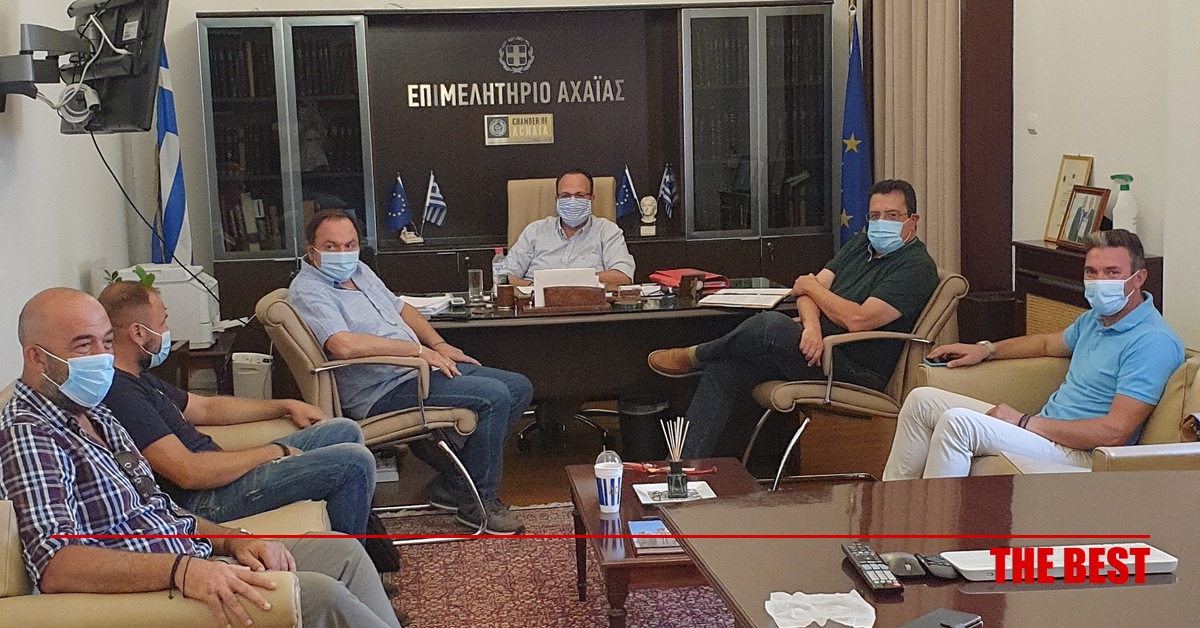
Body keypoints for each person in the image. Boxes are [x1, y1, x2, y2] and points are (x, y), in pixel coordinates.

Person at [0, 287, 401, 628]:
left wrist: (230, 540)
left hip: (191, 556)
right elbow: (56, 564)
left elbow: (158, 506)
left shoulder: (95, 412)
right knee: (320, 594)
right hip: (158, 589)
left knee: (343, 552)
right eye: (82, 345)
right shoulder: (29, 432)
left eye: (105, 342)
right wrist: (182, 570)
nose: (101, 357)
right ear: (36, 357)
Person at [649, 179, 940, 458]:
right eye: (875, 216)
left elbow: (858, 320)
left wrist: (812, 289)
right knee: (726, 367)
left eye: (891, 216)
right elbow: (803, 291)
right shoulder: (861, 244)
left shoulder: (916, 267)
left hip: (855, 368)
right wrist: (812, 328)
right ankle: (682, 468)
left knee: (770, 325)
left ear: (912, 220)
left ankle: (696, 356)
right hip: (814, 349)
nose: (881, 223)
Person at [288, 210, 533, 534]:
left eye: (350, 245)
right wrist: (418, 351)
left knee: (518, 387)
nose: (343, 253)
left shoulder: (359, 271)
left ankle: (456, 486)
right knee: (494, 396)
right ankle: (478, 505)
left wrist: (439, 344)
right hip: (380, 389)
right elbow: (342, 345)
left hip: (415, 371)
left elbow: (401, 308)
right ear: (311, 250)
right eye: (331, 246)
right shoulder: (309, 289)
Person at [883, 229, 1183, 480]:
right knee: (922, 400)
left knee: (958, 423)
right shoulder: (1096, 319)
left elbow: (1114, 433)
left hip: (1083, 454)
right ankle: (892, 507)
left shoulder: (1152, 341)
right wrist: (985, 350)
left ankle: (937, 530)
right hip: (1047, 431)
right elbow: (1046, 344)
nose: (1099, 281)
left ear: (1139, 278)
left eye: (1112, 272)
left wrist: (1024, 422)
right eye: (1091, 272)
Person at [96, 280, 376, 538]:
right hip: (206, 500)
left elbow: (206, 408)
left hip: (219, 474)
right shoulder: (121, 394)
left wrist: (285, 405)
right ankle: (351, 557)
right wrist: (273, 451)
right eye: (163, 322)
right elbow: (187, 472)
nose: (167, 330)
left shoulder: (139, 377)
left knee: (344, 430)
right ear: (138, 333)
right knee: (354, 463)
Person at [503, 168, 635, 287]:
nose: (572, 201)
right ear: (557, 200)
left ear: (591, 198)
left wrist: (562, 281)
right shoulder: (534, 231)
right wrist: (534, 286)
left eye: (580, 195)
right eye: (565, 196)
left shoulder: (607, 231)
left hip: (589, 303)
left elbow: (623, 276)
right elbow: (504, 276)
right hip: (537, 302)